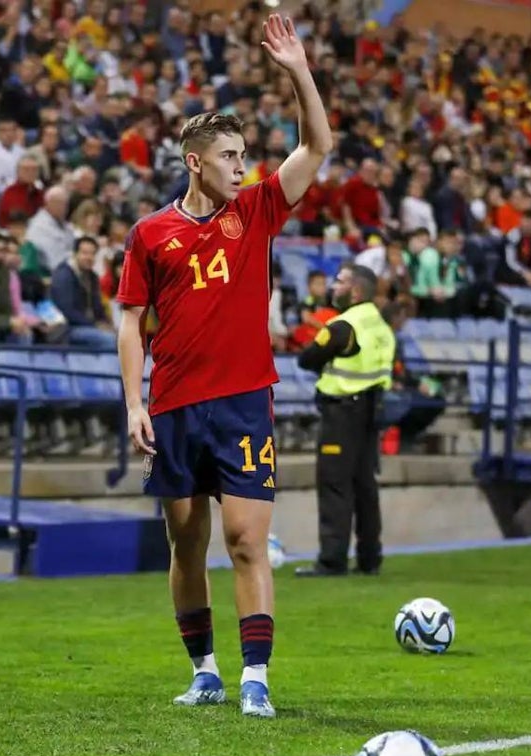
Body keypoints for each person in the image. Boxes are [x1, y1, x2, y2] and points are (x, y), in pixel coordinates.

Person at [115, 14, 330, 719]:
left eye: (245, 154)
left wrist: (298, 70)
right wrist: (134, 403)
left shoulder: (261, 210)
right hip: (173, 404)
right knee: (186, 540)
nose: (244, 165)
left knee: (246, 541)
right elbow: (129, 324)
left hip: (243, 402)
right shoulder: (151, 234)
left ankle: (256, 678)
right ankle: (205, 669)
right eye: (232, 156)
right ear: (196, 162)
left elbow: (316, 145)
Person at [293, 263, 395, 577]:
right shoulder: (380, 325)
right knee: (365, 485)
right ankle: (370, 559)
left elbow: (307, 358)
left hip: (341, 414)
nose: (332, 288)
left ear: (355, 291)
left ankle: (332, 560)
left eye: (339, 282)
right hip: (371, 411)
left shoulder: (343, 326)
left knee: (335, 485)